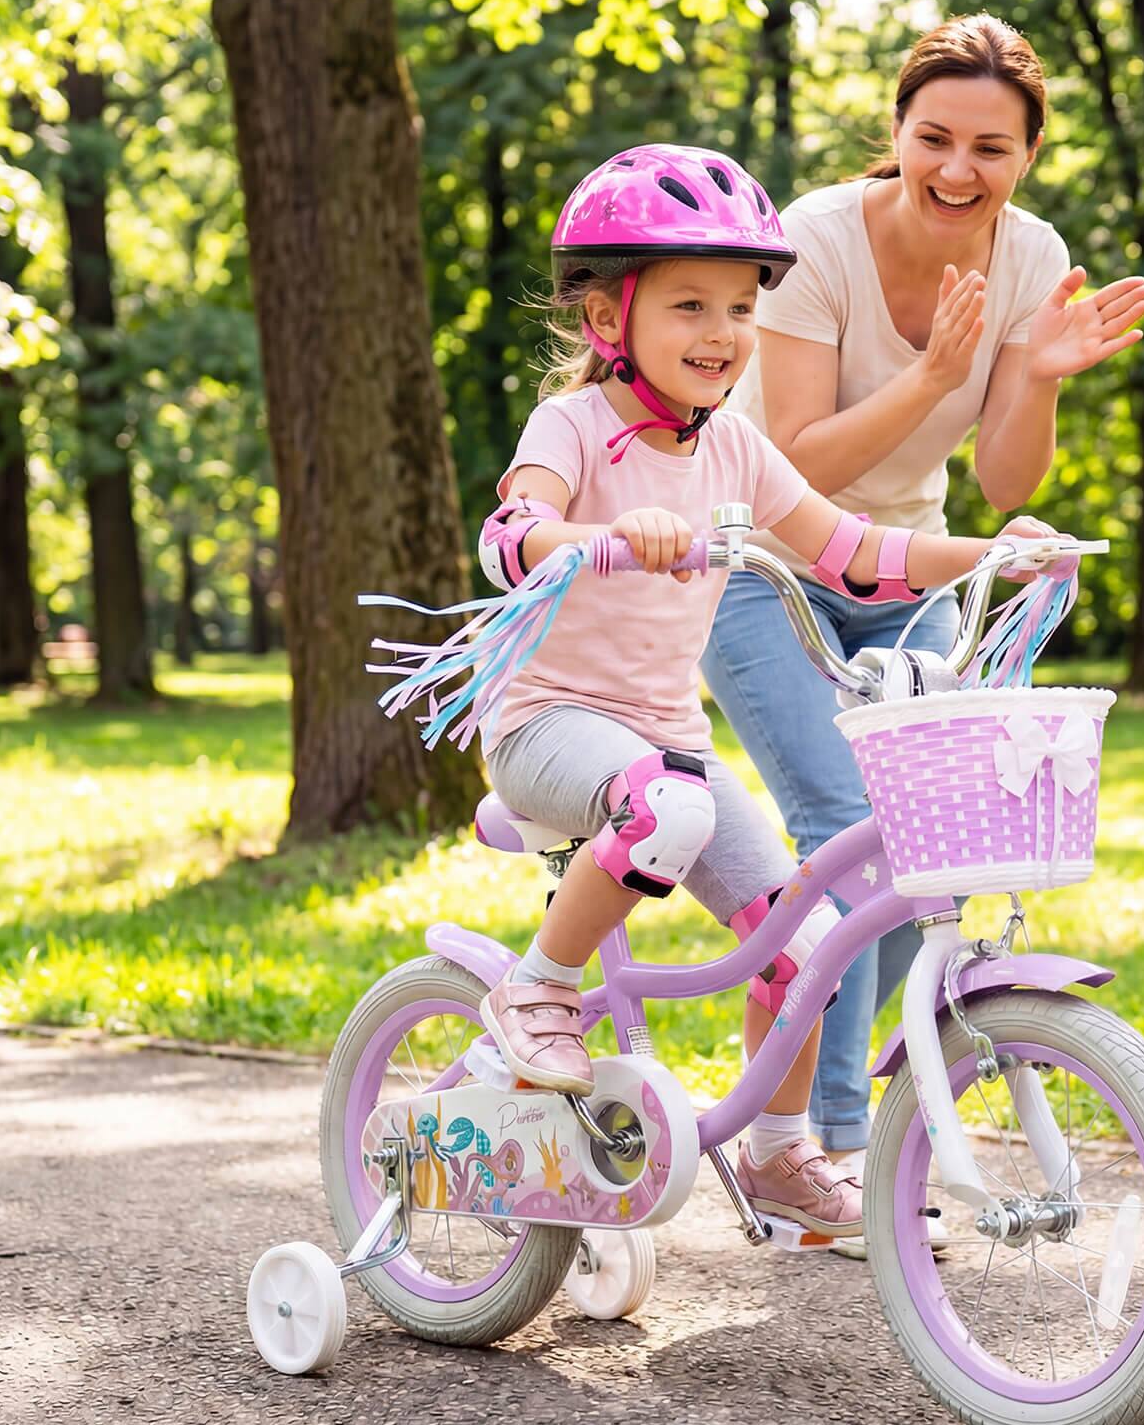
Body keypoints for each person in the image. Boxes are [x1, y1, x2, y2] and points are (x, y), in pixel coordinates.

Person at [454, 144, 1072, 1239]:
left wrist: (993, 552)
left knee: (810, 944)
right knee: (669, 805)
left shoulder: (734, 447)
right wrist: (599, 538)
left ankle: (783, 1156)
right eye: (689, 304)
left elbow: (855, 552)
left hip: (662, 749)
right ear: (609, 324)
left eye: (740, 306)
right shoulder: (574, 428)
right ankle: (536, 988)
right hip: (546, 729)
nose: (722, 332)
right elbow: (512, 534)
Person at [702, 14, 1144, 1170]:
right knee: (844, 829)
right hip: (764, 571)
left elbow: (1003, 478)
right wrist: (938, 373)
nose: (959, 169)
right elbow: (797, 464)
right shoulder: (812, 242)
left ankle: (836, 1122)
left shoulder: (1033, 261)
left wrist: (1034, 374)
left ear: (1028, 155)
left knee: (929, 854)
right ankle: (817, 1147)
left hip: (909, 577)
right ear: (895, 132)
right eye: (935, 137)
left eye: (991, 148)